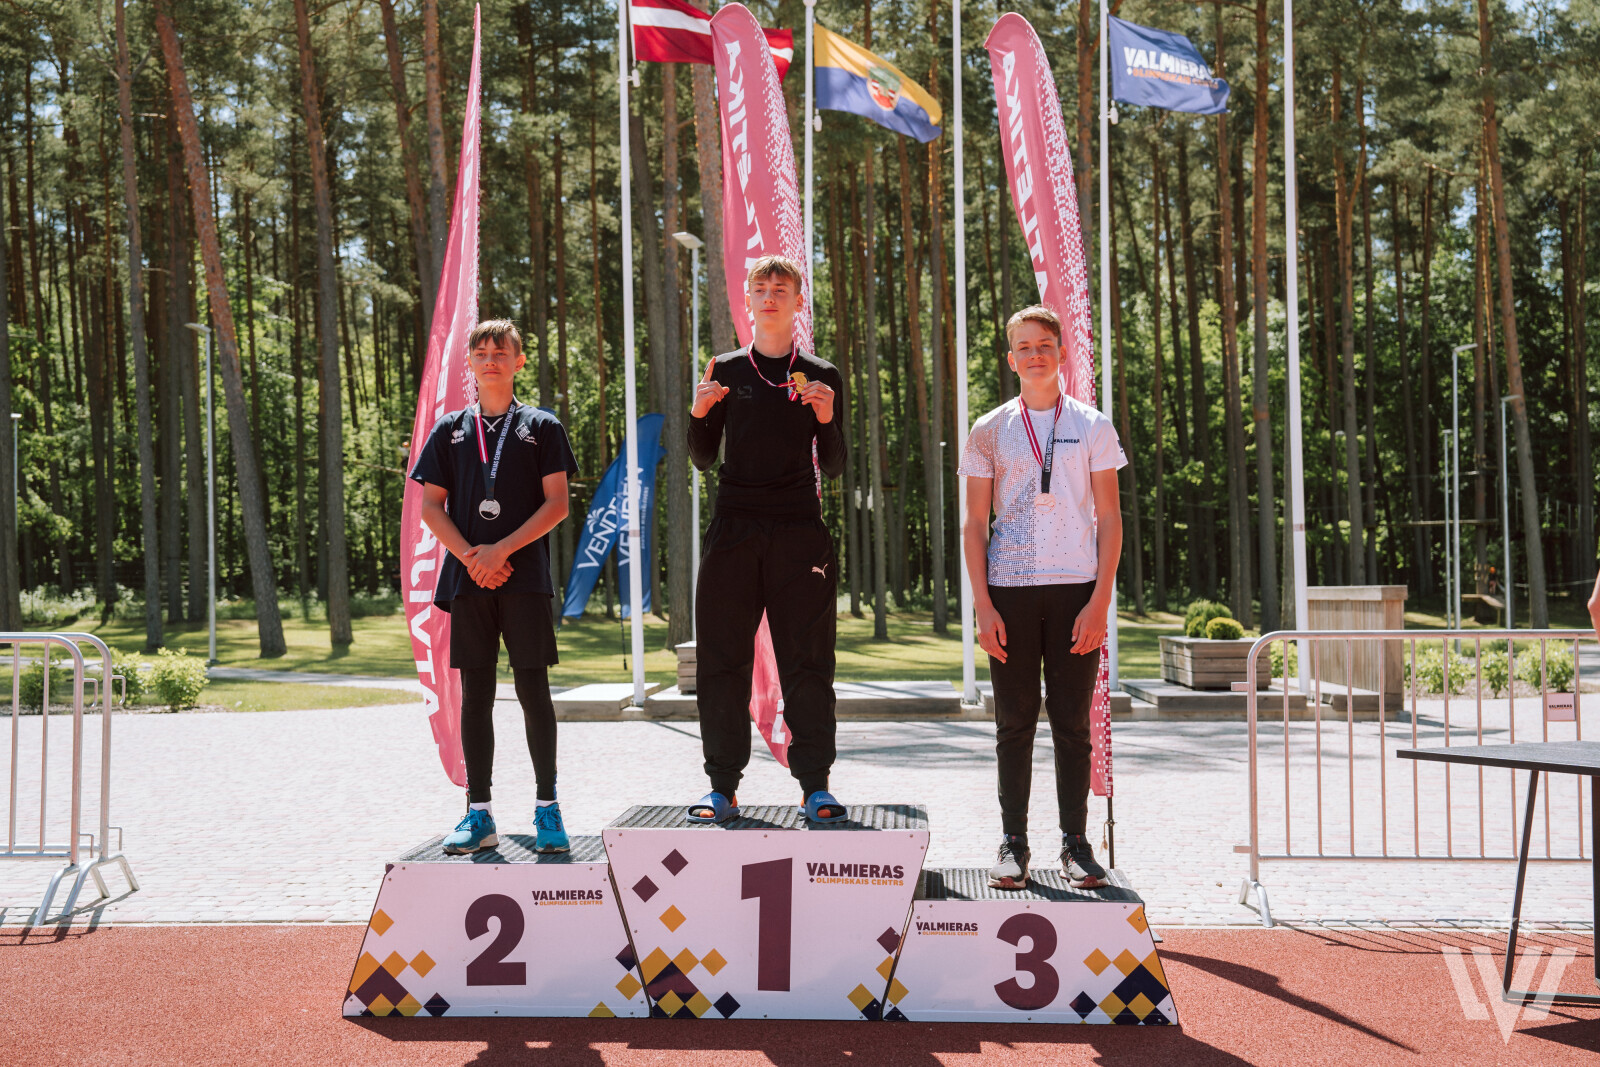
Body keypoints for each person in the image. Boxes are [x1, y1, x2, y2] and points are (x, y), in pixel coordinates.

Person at [959, 305, 1125, 890]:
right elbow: (974, 524)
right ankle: (1013, 843)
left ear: (1061, 353)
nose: (1035, 354)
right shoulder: (989, 428)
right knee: (1014, 723)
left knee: (1072, 724)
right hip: (1009, 592)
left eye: (1045, 345)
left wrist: (1099, 602)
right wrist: (982, 605)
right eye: (1024, 347)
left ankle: (1075, 845)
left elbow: (1110, 517)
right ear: (1011, 359)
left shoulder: (1093, 425)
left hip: (1077, 591)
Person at [686, 254, 848, 824]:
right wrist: (699, 413)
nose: (771, 296)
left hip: (799, 531)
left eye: (782, 288)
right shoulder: (725, 368)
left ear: (799, 302)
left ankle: (815, 787)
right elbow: (702, 458)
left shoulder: (822, 374)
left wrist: (826, 418)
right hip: (734, 528)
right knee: (721, 661)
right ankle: (722, 787)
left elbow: (835, 466)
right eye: (761, 288)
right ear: (748, 300)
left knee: (808, 662)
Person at [410, 320, 579, 854]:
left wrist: (501, 550)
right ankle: (478, 812)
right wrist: (472, 556)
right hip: (468, 578)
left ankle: (548, 807)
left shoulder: (542, 426)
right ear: (470, 362)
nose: (490, 360)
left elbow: (558, 504)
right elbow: (430, 506)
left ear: (518, 361)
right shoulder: (450, 430)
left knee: (533, 691)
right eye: (481, 352)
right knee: (476, 694)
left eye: (500, 352)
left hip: (524, 578)